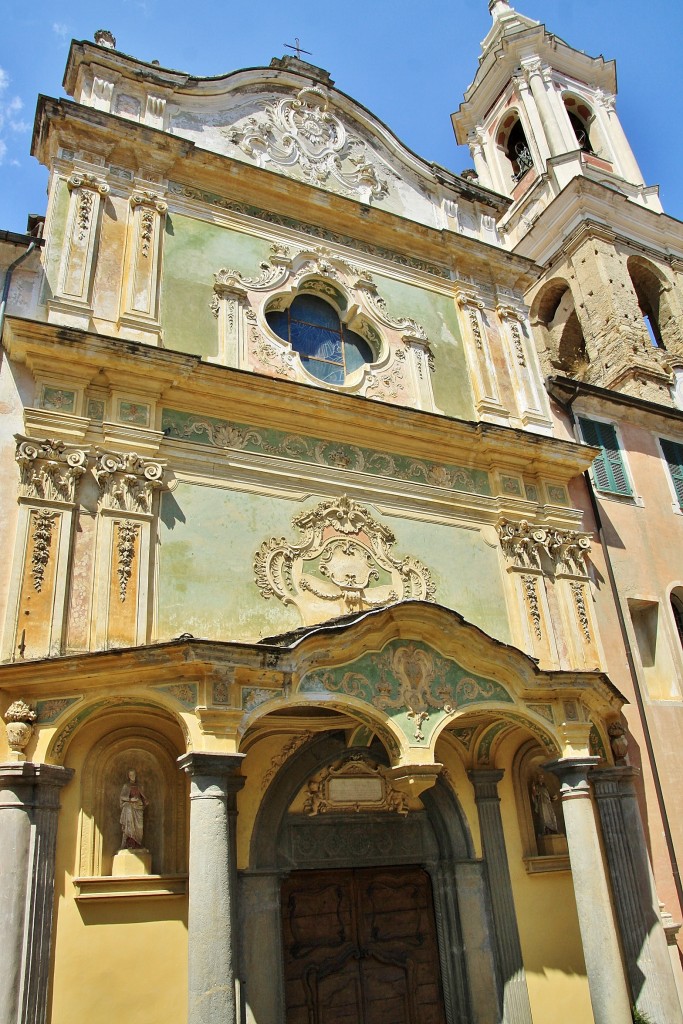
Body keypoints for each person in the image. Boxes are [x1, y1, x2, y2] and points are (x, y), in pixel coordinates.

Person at [119, 769, 149, 849]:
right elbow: (122, 797)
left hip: (138, 808)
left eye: (134, 775)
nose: (132, 776)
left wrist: (144, 801)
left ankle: (137, 843)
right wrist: (130, 800)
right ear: (128, 776)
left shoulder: (139, 786)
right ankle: (129, 844)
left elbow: (143, 797)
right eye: (131, 775)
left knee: (139, 827)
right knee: (129, 822)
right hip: (130, 807)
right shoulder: (126, 786)